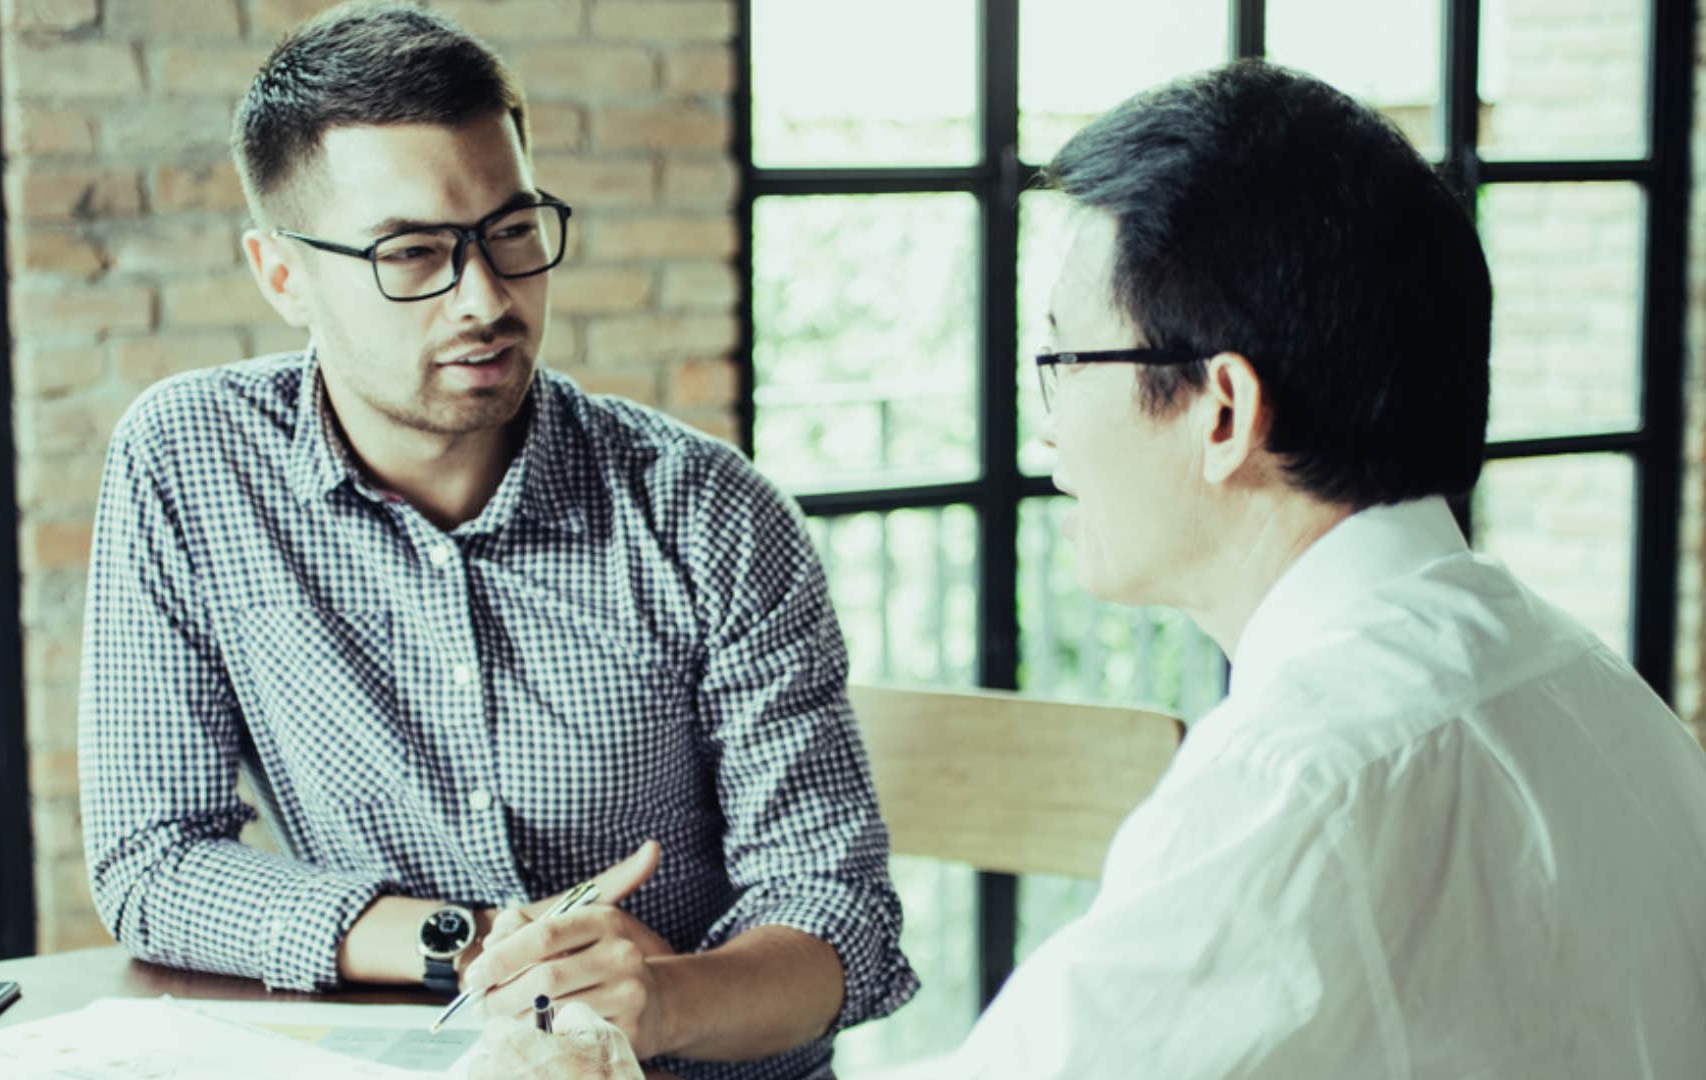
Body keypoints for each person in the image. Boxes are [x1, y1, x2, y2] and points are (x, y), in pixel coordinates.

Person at [474, 59, 1706, 1079]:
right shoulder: (1587, 687)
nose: (1047, 431)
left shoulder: (1304, 776)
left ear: (1221, 411)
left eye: (1063, 364)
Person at [75, 4, 916, 1078]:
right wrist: (478, 947)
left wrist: (655, 999)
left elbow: (839, 920)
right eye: (414, 253)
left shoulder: (710, 514)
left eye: (512, 233)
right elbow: (154, 861)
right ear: (283, 276)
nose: (486, 297)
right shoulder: (189, 463)